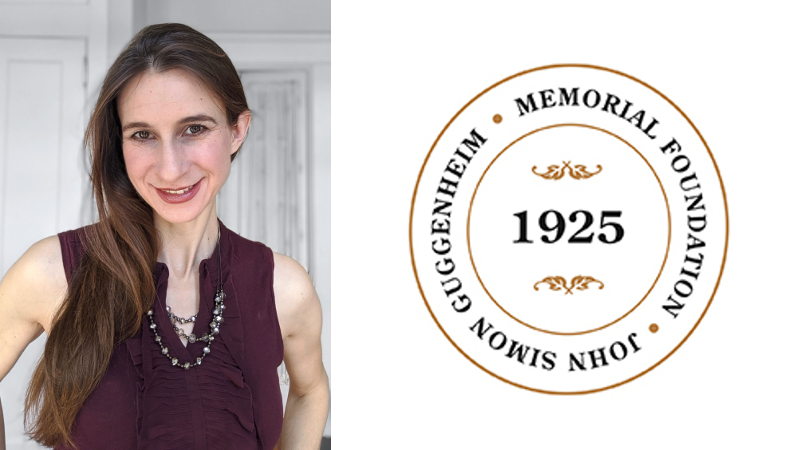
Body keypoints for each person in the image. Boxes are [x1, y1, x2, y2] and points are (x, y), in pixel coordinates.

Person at [0, 23, 328, 449]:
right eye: (143, 135)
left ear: (237, 130)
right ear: (120, 144)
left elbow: (310, 390)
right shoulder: (52, 272)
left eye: (194, 129)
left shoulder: (284, 288)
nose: (170, 168)